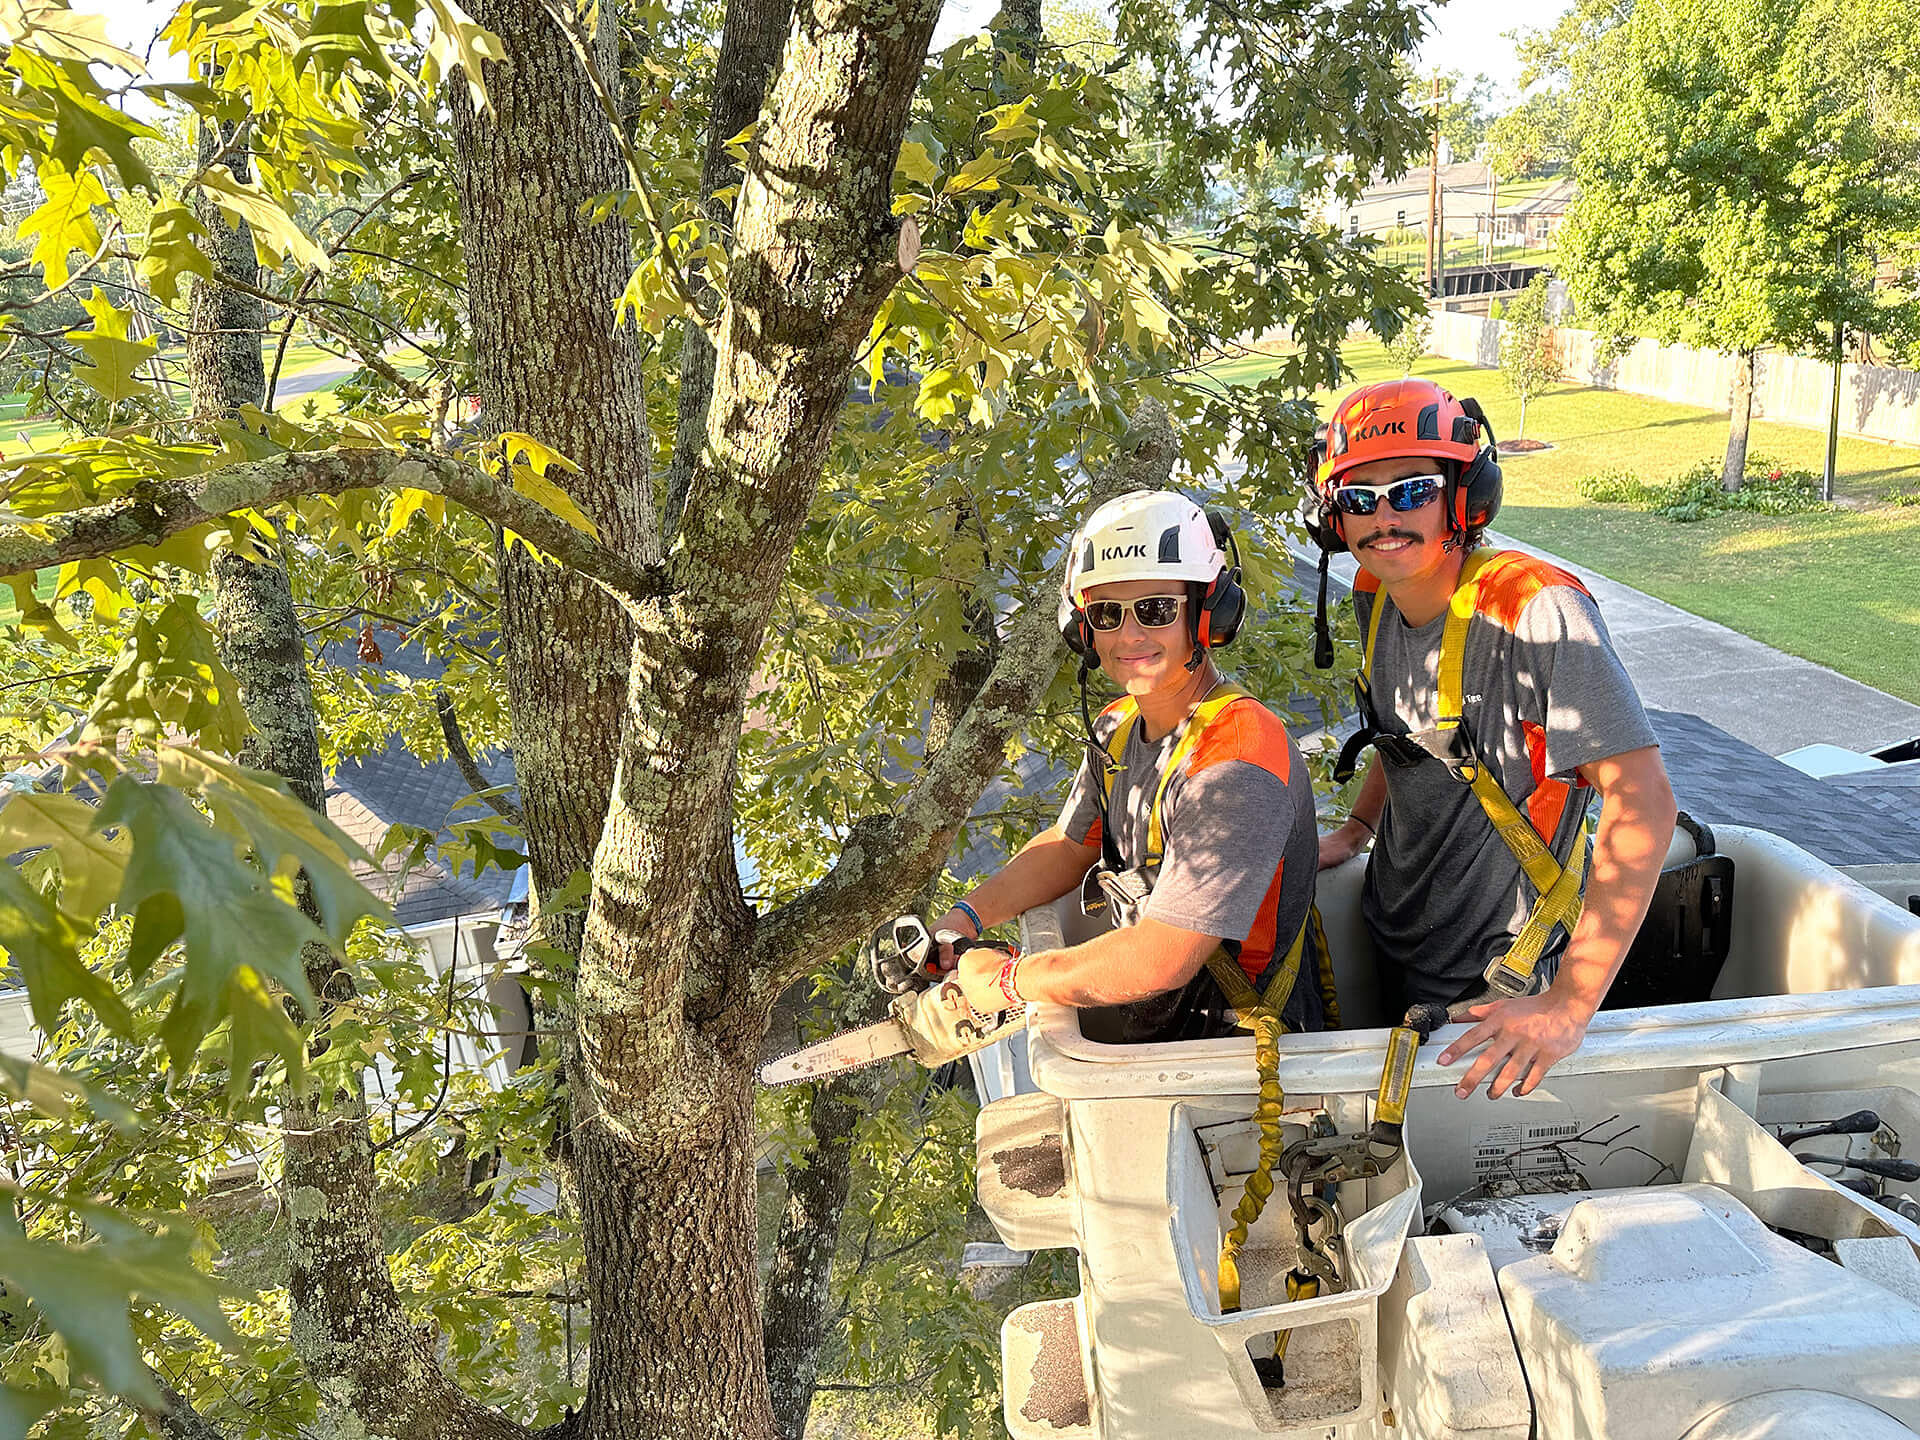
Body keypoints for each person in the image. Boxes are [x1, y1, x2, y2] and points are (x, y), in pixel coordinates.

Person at [1310, 378, 1677, 1099]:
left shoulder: (1538, 609)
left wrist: (1568, 1007)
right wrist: (1355, 828)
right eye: (1359, 498)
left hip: (1498, 981)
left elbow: (1645, 802)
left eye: (1412, 490)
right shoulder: (1374, 594)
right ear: (1335, 519)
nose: (1384, 517)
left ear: (1465, 497)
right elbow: (1405, 731)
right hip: (1401, 930)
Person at [941, 489, 1328, 1042]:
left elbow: (1161, 958)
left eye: (1155, 609)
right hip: (1159, 1023)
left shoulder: (1237, 760)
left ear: (1207, 613)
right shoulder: (1117, 726)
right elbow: (1069, 847)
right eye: (1106, 613)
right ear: (1082, 628)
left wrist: (1010, 980)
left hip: (1240, 1051)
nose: (1128, 634)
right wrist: (964, 919)